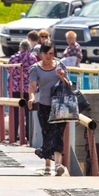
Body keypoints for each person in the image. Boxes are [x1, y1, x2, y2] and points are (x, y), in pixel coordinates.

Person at [27, 40, 69, 177]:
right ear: (41, 53)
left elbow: (69, 84)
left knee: (58, 134)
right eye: (46, 53)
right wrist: (32, 97)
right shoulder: (35, 68)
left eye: (51, 53)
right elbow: (32, 86)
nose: (49, 56)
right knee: (47, 134)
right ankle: (47, 164)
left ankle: (57, 165)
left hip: (60, 105)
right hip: (44, 105)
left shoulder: (60, 65)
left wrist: (62, 77)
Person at [8, 40, 37, 141]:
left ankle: (13, 135)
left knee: (15, 112)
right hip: (28, 88)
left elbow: (9, 70)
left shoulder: (13, 58)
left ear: (20, 47)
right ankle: (29, 135)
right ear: (29, 48)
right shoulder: (33, 58)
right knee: (28, 112)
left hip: (15, 87)